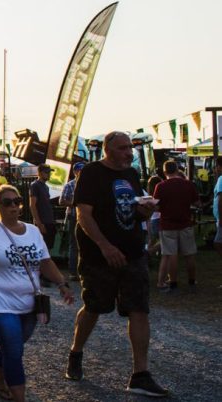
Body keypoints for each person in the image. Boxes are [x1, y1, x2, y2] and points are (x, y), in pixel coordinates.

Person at [66, 131, 168, 397]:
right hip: (99, 255)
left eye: (130, 148)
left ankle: (140, 375)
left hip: (132, 252)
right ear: (108, 150)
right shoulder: (91, 173)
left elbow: (130, 208)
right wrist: (105, 246)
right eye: (123, 148)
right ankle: (76, 352)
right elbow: (83, 215)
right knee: (94, 307)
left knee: (139, 309)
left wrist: (143, 212)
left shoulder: (132, 175)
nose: (129, 153)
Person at [0, 185, 75, 402]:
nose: (13, 206)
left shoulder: (33, 232)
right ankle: (19, 396)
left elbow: (45, 262)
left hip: (29, 304)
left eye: (17, 201)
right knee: (13, 347)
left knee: (13, 345)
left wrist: (62, 283)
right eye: (7, 202)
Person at [153, 160, 199, 293]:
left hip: (167, 224)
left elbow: (157, 206)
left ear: (165, 171)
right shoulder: (188, 184)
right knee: (189, 254)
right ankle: (192, 280)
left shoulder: (160, 186)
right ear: (177, 169)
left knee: (171, 254)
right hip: (185, 223)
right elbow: (197, 203)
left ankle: (173, 282)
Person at [59, 162, 85, 280]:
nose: (82, 172)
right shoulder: (69, 185)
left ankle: (84, 271)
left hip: (86, 217)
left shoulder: (89, 185)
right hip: (74, 217)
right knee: (74, 244)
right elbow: (61, 201)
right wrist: (75, 204)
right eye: (80, 170)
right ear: (75, 171)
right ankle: (73, 272)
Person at [30, 164, 57, 253]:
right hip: (43, 222)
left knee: (48, 249)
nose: (49, 174)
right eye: (47, 172)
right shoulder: (35, 185)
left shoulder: (46, 187)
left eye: (50, 172)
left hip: (49, 221)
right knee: (42, 249)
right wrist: (39, 223)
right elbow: (32, 205)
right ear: (40, 173)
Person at [213, 161, 222, 260]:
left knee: (217, 243)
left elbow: (220, 199)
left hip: (221, 216)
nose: (215, 169)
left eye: (216, 167)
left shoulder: (221, 179)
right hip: (219, 216)